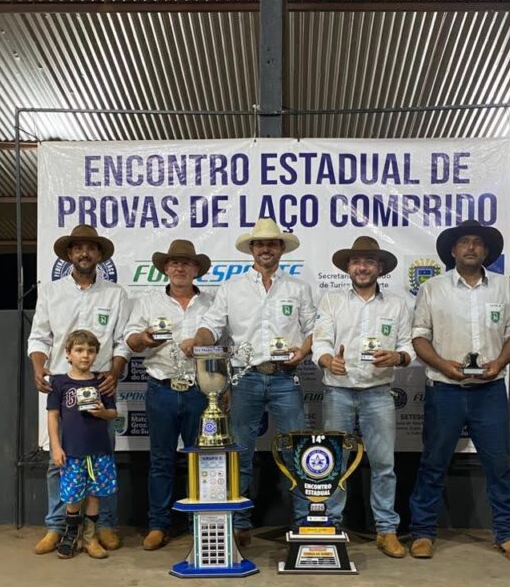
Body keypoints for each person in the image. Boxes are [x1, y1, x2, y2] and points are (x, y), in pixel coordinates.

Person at [182, 218, 317, 546]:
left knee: (297, 452)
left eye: (272, 243)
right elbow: (212, 326)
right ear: (252, 250)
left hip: (286, 377)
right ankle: (239, 524)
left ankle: (304, 523)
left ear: (281, 249)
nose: (266, 248)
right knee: (239, 452)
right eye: (260, 244)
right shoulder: (232, 288)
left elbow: (315, 328)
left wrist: (304, 350)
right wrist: (197, 340)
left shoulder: (298, 288)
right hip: (245, 378)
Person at [409, 220, 510, 563]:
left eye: (478, 243)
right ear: (453, 250)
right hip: (445, 389)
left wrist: (499, 363)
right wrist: (443, 364)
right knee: (433, 463)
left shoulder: (504, 287)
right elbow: (419, 336)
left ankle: (508, 535)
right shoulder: (432, 288)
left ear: (487, 251)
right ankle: (422, 533)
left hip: (490, 390)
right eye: (465, 242)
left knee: (497, 464)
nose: (472, 247)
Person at [28, 224, 129, 555]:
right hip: (61, 380)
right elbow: (40, 336)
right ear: (70, 254)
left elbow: (122, 341)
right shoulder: (52, 292)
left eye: (91, 248)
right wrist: (38, 366)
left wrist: (115, 370)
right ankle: (57, 528)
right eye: (78, 248)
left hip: (101, 383)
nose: (84, 253)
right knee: (60, 460)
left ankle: (103, 526)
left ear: (99, 255)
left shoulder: (116, 294)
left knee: (102, 458)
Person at [312, 236, 413, 557]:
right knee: (333, 464)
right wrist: (329, 360)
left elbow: (410, 345)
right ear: (348, 267)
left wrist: (398, 357)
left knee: (384, 464)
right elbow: (320, 342)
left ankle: (386, 530)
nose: (362, 267)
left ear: (380, 268)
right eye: (356, 261)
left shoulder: (397, 305)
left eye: (369, 261)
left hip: (379, 393)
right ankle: (331, 527)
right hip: (337, 392)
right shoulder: (331, 301)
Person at [125, 240, 214, 550]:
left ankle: (199, 523)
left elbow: (222, 346)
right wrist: (144, 338)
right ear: (165, 268)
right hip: (161, 388)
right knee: (161, 460)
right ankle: (158, 525)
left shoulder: (211, 304)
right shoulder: (148, 303)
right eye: (174, 263)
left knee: (200, 460)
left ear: (196, 270)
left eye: (186, 263)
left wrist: (223, 387)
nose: (179, 267)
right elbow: (131, 341)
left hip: (200, 392)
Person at [47, 330, 118, 560]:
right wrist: (56, 447)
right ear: (67, 354)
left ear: (96, 354)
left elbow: (113, 413)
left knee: (95, 494)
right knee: (73, 496)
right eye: (79, 350)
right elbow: (53, 416)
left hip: (98, 450)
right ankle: (70, 533)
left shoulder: (102, 382)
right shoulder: (59, 382)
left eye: (90, 351)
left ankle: (90, 537)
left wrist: (102, 412)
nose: (85, 356)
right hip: (72, 451)